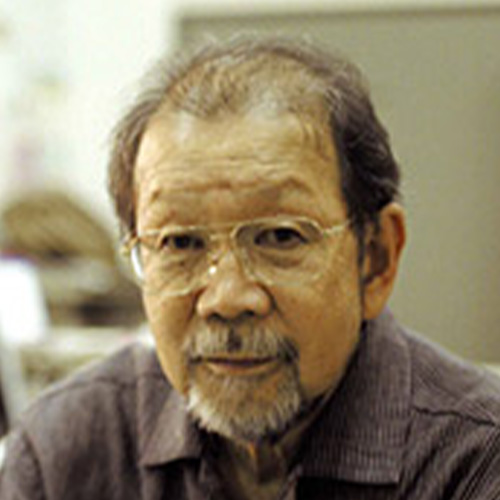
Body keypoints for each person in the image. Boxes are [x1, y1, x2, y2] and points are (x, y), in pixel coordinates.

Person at [2, 37, 500, 500]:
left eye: (280, 237)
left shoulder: (474, 459)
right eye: (180, 243)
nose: (226, 298)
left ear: (375, 259)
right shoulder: (66, 450)